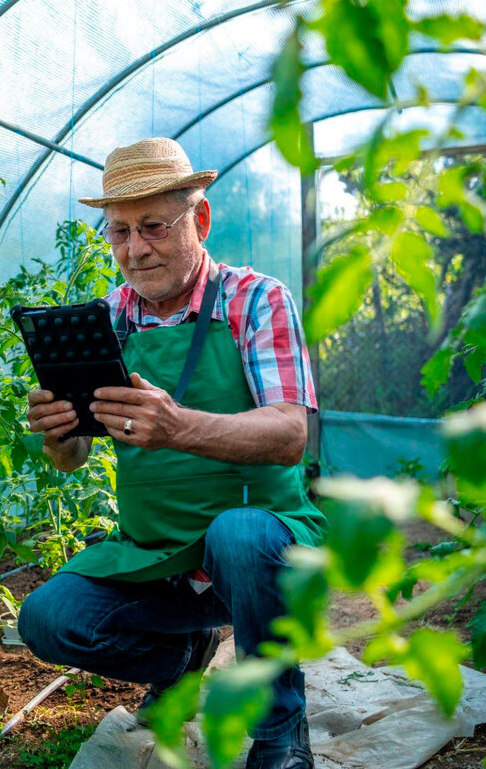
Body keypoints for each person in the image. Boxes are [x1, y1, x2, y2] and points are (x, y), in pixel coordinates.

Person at [18, 137, 324, 769]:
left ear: (200, 220)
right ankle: (184, 655)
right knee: (48, 620)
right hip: (156, 557)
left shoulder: (254, 300)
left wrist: (179, 427)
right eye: (120, 231)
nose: (135, 249)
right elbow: (74, 456)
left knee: (238, 536)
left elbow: (292, 434)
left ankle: (281, 732)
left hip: (260, 547)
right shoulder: (106, 320)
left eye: (154, 226)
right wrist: (59, 434)